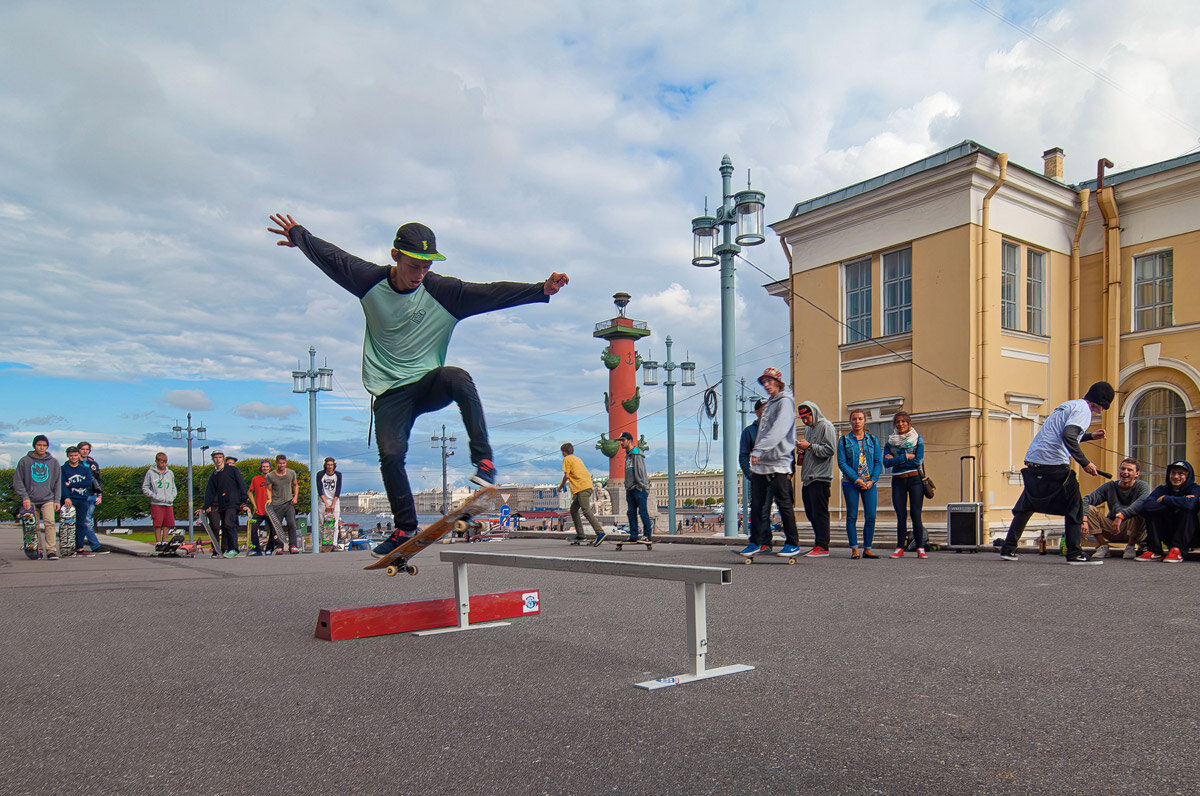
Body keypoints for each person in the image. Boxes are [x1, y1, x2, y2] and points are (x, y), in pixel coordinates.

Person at [268, 214, 569, 559]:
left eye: (427, 266)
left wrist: (540, 289)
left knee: (458, 377)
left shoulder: (444, 291)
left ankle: (484, 464)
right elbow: (333, 257)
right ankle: (404, 528)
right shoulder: (367, 280)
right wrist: (299, 235)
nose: (420, 274)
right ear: (395, 256)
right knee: (391, 456)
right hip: (389, 393)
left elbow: (491, 293)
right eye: (414, 265)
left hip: (427, 384)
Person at [998, 381, 1114, 565]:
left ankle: (1008, 548)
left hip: (1034, 461)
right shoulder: (1084, 410)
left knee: (1027, 504)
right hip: (1053, 464)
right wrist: (1085, 463)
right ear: (1099, 403)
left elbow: (1063, 434)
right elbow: (1068, 435)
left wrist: (1091, 436)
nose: (1100, 412)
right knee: (1075, 505)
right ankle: (1075, 554)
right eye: (1101, 408)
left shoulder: (1068, 405)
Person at [739, 367, 801, 558]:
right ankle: (756, 541)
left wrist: (758, 450)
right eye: (763, 382)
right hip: (762, 464)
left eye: (769, 381)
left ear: (778, 382)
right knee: (757, 504)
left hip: (778, 462)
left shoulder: (784, 402)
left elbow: (778, 430)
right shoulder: (771, 403)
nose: (766, 385)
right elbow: (764, 431)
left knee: (783, 504)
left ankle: (792, 543)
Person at [1081, 457, 1149, 559]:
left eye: (1129, 470)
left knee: (1142, 509)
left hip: (1133, 529)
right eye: (1122, 469)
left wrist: (1121, 516)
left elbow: (1141, 502)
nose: (1125, 472)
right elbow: (1085, 500)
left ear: (1137, 473)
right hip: (1112, 528)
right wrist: (1084, 520)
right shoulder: (1110, 486)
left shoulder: (1142, 486)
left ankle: (1130, 546)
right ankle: (1103, 546)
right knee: (1090, 509)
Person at [837, 409, 883, 559]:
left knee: (871, 515)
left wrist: (873, 480)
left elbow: (878, 462)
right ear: (850, 421)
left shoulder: (873, 440)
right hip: (851, 483)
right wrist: (857, 479)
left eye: (860, 419)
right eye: (854, 419)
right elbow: (842, 463)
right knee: (852, 516)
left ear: (865, 421)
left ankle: (867, 548)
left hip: (869, 483)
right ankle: (854, 549)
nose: (857, 421)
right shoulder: (844, 440)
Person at [1134, 461, 1199, 564]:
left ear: (1188, 475)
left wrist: (1166, 499)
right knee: (1151, 512)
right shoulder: (1162, 489)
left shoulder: (1195, 489)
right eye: (1173, 473)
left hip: (1188, 535)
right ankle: (1154, 550)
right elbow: (1147, 506)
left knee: (1186, 511)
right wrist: (1180, 502)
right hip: (1166, 532)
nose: (1176, 476)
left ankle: (1177, 550)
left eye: (1180, 473)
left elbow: (1190, 504)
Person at [884, 412, 928, 559]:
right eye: (897, 422)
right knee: (901, 515)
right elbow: (886, 463)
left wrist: (896, 459)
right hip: (898, 481)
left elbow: (918, 460)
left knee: (916, 515)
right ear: (894, 425)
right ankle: (899, 547)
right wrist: (905, 457)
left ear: (909, 424)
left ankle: (920, 547)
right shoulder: (890, 442)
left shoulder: (918, 439)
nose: (900, 424)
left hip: (915, 480)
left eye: (904, 422)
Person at [797, 401, 836, 558]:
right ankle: (818, 543)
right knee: (810, 512)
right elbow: (811, 448)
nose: (805, 421)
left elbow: (830, 450)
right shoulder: (808, 428)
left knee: (820, 513)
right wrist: (803, 449)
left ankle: (822, 546)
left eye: (807, 417)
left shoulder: (826, 426)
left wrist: (809, 446)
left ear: (814, 413)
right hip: (808, 477)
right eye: (802, 418)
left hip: (820, 477)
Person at [12, 435, 61, 560]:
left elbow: (57, 482)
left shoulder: (53, 462)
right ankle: (37, 550)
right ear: (34, 445)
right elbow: (17, 481)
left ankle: (51, 551)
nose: (42, 447)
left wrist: (56, 500)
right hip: (31, 500)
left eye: (44, 445)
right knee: (34, 527)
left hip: (48, 499)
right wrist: (25, 497)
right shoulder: (25, 461)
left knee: (50, 523)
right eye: (39, 445)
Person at [202, 450, 247, 558]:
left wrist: (243, 500)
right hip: (222, 504)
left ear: (223, 458)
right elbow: (210, 492)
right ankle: (225, 549)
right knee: (225, 527)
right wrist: (205, 506)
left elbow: (241, 483)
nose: (218, 459)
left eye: (220, 457)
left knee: (229, 523)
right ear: (213, 459)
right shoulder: (214, 475)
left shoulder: (232, 469)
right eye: (215, 457)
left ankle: (234, 548)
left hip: (233, 501)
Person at [61, 445, 106, 555]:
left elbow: (87, 483)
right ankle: (67, 547)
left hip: (83, 499)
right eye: (71, 456)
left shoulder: (85, 469)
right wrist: (66, 497)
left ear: (78, 455)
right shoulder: (63, 469)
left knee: (81, 524)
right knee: (67, 525)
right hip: (69, 499)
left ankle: (79, 548)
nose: (73, 457)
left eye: (75, 455)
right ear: (67, 456)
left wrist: (70, 483)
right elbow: (62, 485)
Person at [559, 442, 605, 545]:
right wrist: (575, 493)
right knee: (573, 509)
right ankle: (580, 535)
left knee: (586, 510)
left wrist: (560, 487)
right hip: (586, 486)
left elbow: (567, 476)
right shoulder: (577, 459)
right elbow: (578, 475)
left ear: (563, 452)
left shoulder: (566, 459)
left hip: (582, 488)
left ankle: (600, 533)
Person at [739, 399, 769, 538]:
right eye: (764, 411)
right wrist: (749, 475)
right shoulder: (749, 432)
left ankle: (790, 544)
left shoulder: (776, 429)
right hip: (758, 477)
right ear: (757, 413)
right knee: (759, 510)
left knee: (783, 509)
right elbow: (743, 455)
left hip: (776, 475)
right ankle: (762, 542)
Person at [617, 432, 653, 543]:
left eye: (623, 440)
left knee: (643, 512)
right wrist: (627, 486)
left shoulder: (636, 454)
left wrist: (642, 486)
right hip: (630, 489)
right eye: (620, 441)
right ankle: (633, 535)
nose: (621, 443)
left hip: (639, 489)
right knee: (631, 513)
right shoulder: (628, 455)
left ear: (629, 441)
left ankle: (647, 535)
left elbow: (641, 471)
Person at [142, 452, 179, 550]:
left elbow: (173, 486)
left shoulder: (170, 473)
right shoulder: (150, 473)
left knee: (167, 523)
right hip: (157, 503)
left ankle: (165, 541)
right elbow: (145, 487)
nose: (163, 464)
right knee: (158, 523)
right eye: (161, 462)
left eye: (165, 462)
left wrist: (172, 496)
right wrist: (155, 496)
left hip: (168, 502)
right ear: (156, 461)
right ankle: (158, 542)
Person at [267, 454, 301, 554]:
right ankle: (279, 546)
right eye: (280, 463)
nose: (281, 465)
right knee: (277, 526)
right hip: (276, 504)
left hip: (288, 502)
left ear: (286, 463)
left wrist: (295, 497)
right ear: (276, 463)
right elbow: (268, 489)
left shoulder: (291, 473)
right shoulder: (271, 475)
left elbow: (295, 485)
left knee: (292, 523)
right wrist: (269, 499)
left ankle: (293, 545)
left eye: (283, 463)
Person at [247, 460, 274, 556]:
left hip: (270, 510)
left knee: (274, 530)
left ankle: (269, 549)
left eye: (267, 466)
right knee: (253, 529)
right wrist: (254, 505)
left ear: (270, 468)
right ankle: (257, 550)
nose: (265, 468)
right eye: (263, 466)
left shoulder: (273, 478)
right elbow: (250, 492)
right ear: (261, 468)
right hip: (259, 510)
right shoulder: (256, 479)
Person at [76, 441, 103, 535]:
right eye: (83, 449)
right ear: (78, 450)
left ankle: (84, 540)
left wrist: (100, 495)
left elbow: (98, 480)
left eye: (87, 449)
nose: (85, 451)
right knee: (86, 519)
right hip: (79, 495)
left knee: (88, 518)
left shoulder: (93, 464)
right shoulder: (74, 463)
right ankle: (92, 543)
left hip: (92, 495)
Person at [318, 457, 344, 550]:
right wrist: (326, 504)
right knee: (322, 523)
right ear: (325, 465)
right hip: (323, 501)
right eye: (328, 465)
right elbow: (320, 490)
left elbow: (338, 490)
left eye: (331, 465)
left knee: (335, 522)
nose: (330, 467)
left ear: (334, 466)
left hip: (335, 501)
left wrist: (332, 504)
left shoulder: (338, 475)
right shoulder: (320, 474)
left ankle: (334, 543)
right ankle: (325, 543)